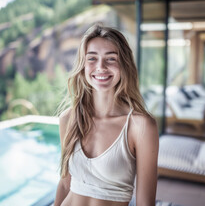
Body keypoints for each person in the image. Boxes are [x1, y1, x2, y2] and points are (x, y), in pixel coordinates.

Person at [54, 24, 159, 206]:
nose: (100, 67)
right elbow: (65, 184)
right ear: (83, 65)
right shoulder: (68, 119)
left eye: (111, 59)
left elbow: (145, 203)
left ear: (124, 65)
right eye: (92, 58)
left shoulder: (140, 126)